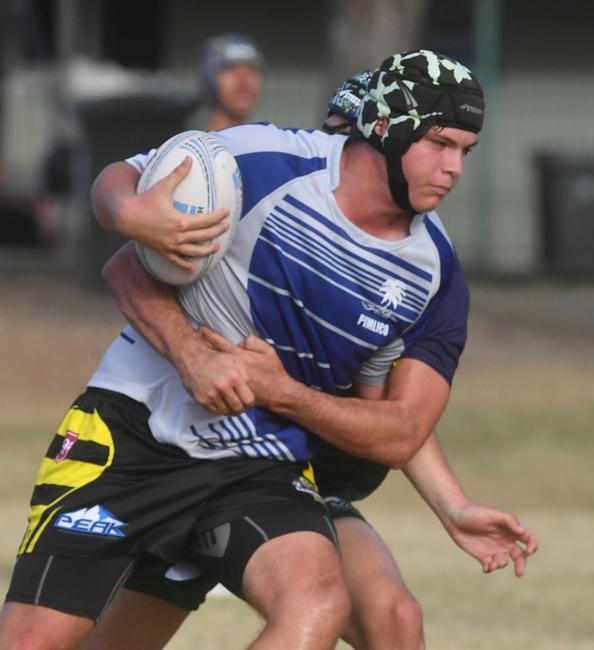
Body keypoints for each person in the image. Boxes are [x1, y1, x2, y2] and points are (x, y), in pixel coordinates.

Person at [0, 50, 537, 650]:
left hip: (259, 464)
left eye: (466, 150)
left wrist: (451, 503)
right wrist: (133, 216)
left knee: (324, 605)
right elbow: (125, 252)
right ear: (382, 126)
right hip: (135, 438)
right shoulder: (262, 163)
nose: (455, 167)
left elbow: (399, 424)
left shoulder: (434, 275)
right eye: (441, 144)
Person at [198, 32, 264, 132]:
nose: (244, 78)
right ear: (209, 80)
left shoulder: (271, 144)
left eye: (251, 68)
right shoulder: (185, 145)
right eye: (230, 67)